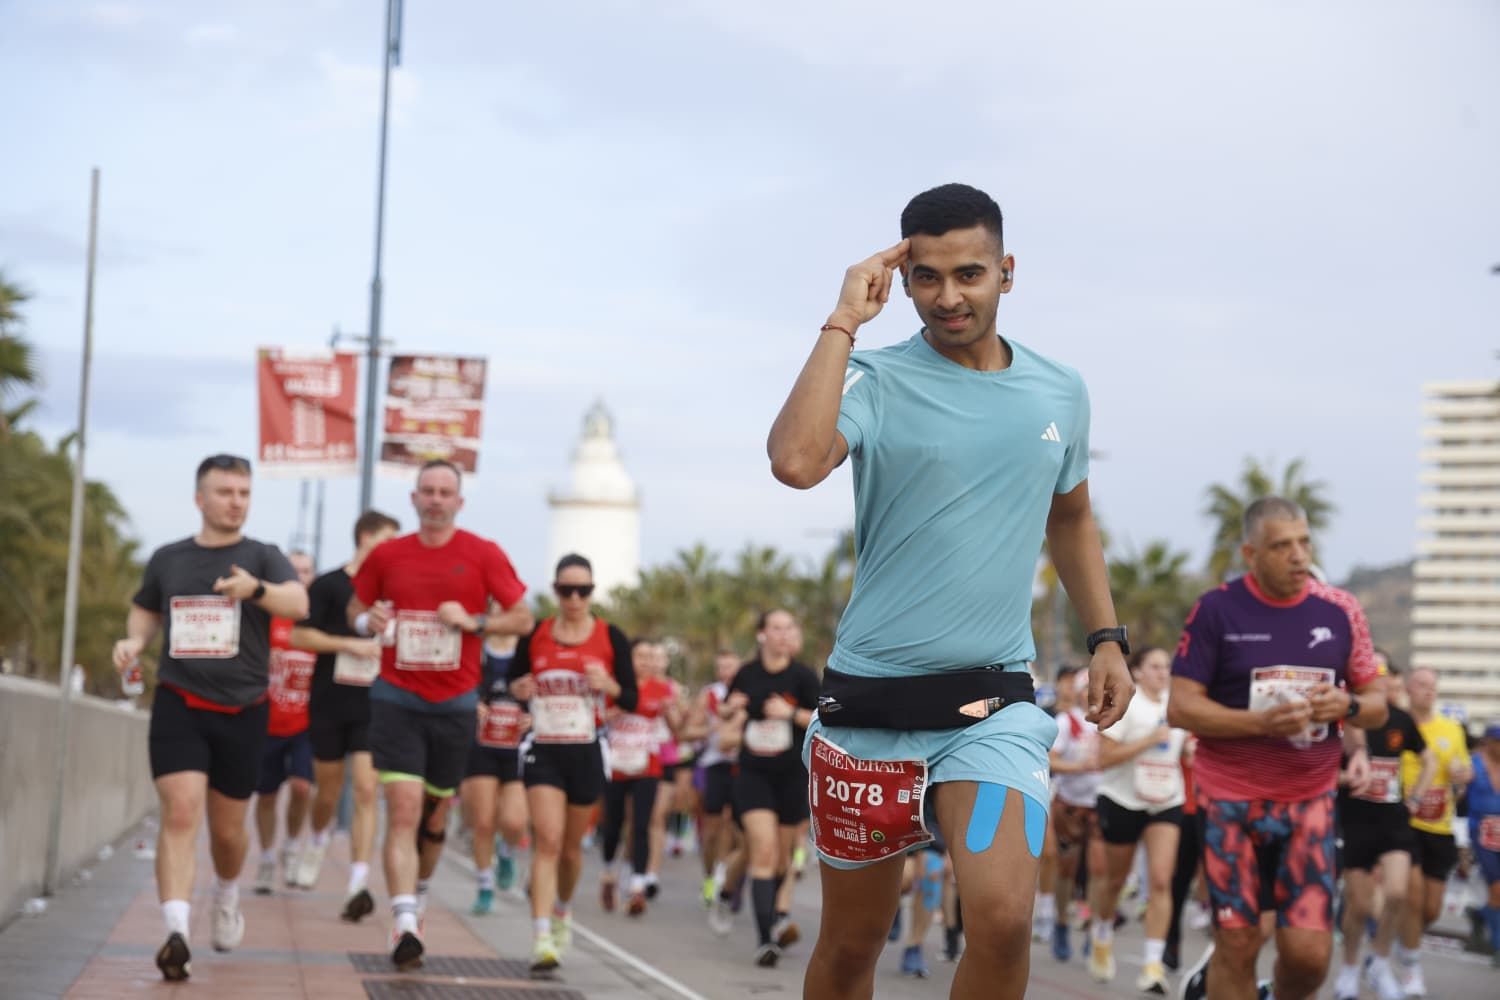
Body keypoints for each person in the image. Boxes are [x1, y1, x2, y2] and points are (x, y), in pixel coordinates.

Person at [766, 183, 1133, 1000]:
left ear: (1007, 272)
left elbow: (1070, 518)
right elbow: (795, 462)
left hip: (993, 704)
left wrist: (1108, 638)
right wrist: (841, 323)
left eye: (968, 274)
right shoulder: (876, 377)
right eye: (926, 278)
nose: (948, 296)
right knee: (852, 945)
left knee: (1002, 923)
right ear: (904, 283)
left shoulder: (1059, 390)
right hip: (869, 708)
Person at [1168, 496, 1387, 1000]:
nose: (1298, 556)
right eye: (1282, 545)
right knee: (1239, 942)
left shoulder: (1340, 610)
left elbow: (1376, 702)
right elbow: (1180, 708)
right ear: (1251, 554)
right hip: (1229, 799)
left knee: (1309, 958)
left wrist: (1346, 705)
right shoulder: (1216, 609)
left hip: (1309, 800)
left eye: (1304, 542)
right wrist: (1256, 723)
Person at [110, 454, 307, 981]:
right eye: (225, 492)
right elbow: (147, 606)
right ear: (201, 498)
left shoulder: (262, 557)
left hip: (243, 708)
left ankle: (225, 893)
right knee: (179, 810)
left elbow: (298, 603)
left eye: (244, 492)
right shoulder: (169, 558)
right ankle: (176, 931)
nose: (236, 501)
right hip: (179, 700)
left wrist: (256, 591)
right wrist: (135, 639)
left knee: (227, 833)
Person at [348, 460, 533, 970]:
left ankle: (419, 895)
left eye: (444, 492)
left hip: (453, 705)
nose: (435, 499)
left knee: (434, 817)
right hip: (396, 699)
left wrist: (474, 620)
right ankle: (404, 919)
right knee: (403, 808)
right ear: (413, 499)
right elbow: (355, 609)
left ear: (459, 501)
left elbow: (523, 616)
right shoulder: (388, 554)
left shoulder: (482, 553)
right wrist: (369, 619)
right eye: (427, 491)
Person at [507, 553, 635, 976]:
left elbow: (630, 698)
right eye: (566, 590)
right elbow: (511, 682)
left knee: (569, 850)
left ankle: (562, 909)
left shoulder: (609, 637)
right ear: (556, 591)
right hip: (544, 747)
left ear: (592, 592)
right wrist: (519, 687)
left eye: (583, 590)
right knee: (546, 838)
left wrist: (609, 684)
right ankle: (541, 935)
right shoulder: (538, 634)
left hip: (586, 749)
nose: (575, 598)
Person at [288, 509, 398, 920]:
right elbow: (301, 634)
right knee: (328, 791)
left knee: (367, 791)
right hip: (330, 699)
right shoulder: (331, 584)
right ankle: (317, 840)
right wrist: (348, 645)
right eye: (386, 539)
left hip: (375, 704)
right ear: (365, 537)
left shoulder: (393, 591)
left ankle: (358, 880)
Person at [720, 609, 821, 967]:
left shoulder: (803, 677)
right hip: (753, 774)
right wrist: (730, 709)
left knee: (780, 859)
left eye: (789, 627)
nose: (782, 634)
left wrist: (790, 713)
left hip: (793, 775)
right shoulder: (746, 675)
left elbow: (827, 718)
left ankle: (768, 918)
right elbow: (725, 717)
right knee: (762, 850)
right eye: (776, 628)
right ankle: (766, 940)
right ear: (762, 634)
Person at [1332, 657, 1436, 1000]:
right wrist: (1349, 778)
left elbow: (1430, 760)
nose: (1380, 680)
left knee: (1396, 893)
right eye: (1372, 673)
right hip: (1355, 820)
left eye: (1385, 674)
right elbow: (1321, 772)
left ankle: (1378, 961)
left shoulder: (1401, 719)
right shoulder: (1344, 718)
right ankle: (1348, 969)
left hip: (1393, 820)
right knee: (1359, 906)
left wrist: (1416, 799)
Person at [1087, 645, 1188, 993]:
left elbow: (1186, 749)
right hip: (1122, 799)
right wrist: (1148, 741)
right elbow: (1105, 756)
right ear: (1139, 671)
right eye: (1156, 667)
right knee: (1114, 882)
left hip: (1166, 800)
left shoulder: (1178, 705)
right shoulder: (1128, 704)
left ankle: (1152, 964)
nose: (1163, 672)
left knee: (1161, 880)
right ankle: (1101, 931)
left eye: (1167, 666)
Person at [1394, 666, 1474, 995]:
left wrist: (1462, 776)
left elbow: (1463, 770)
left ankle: (1404, 940)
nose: (1429, 691)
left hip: (1439, 825)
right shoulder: (1396, 723)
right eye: (1422, 685)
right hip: (1403, 821)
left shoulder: (1451, 729)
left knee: (1430, 908)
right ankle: (1411, 969)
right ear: (1409, 689)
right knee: (1412, 899)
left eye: (1433, 686)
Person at [251, 550, 318, 894]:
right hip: (267, 720)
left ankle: (292, 846)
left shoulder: (318, 622)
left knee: (303, 787)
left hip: (306, 722)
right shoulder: (266, 619)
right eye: (294, 570)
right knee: (265, 795)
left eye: (306, 570)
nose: (300, 575)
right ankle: (265, 857)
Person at [598, 639, 672, 916]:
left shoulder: (661, 688)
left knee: (641, 824)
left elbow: (675, 727)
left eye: (649, 656)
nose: (644, 661)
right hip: (616, 765)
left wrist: (671, 710)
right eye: (639, 655)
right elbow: (598, 716)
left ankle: (637, 886)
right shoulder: (614, 686)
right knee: (613, 824)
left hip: (647, 766)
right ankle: (608, 873)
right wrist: (615, 712)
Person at [459, 629, 529, 915]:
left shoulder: (529, 649)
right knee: (484, 821)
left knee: (514, 822)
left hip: (517, 747)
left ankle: (505, 852)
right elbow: (457, 683)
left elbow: (544, 693)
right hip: (481, 744)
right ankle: (485, 885)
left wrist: (533, 714)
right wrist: (470, 702)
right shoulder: (474, 646)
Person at [1042, 666, 1101, 964]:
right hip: (1069, 805)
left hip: (1101, 804)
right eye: (1087, 689)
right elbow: (1051, 761)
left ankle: (1094, 932)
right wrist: (1080, 767)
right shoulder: (1067, 722)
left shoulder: (1111, 723)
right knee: (1066, 870)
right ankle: (1062, 923)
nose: (1093, 695)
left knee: (1098, 870)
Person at [693, 649, 745, 917]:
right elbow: (690, 730)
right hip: (715, 765)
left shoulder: (749, 692)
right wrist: (711, 730)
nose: (727, 673)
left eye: (732, 668)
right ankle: (710, 878)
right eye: (722, 668)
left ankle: (733, 882)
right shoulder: (710, 695)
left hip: (744, 766)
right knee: (711, 829)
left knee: (740, 829)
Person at [1467, 722, 1500, 966]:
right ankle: (1498, 948)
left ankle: (1479, 915)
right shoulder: (1473, 765)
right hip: (1482, 834)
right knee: (1497, 889)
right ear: (1488, 742)